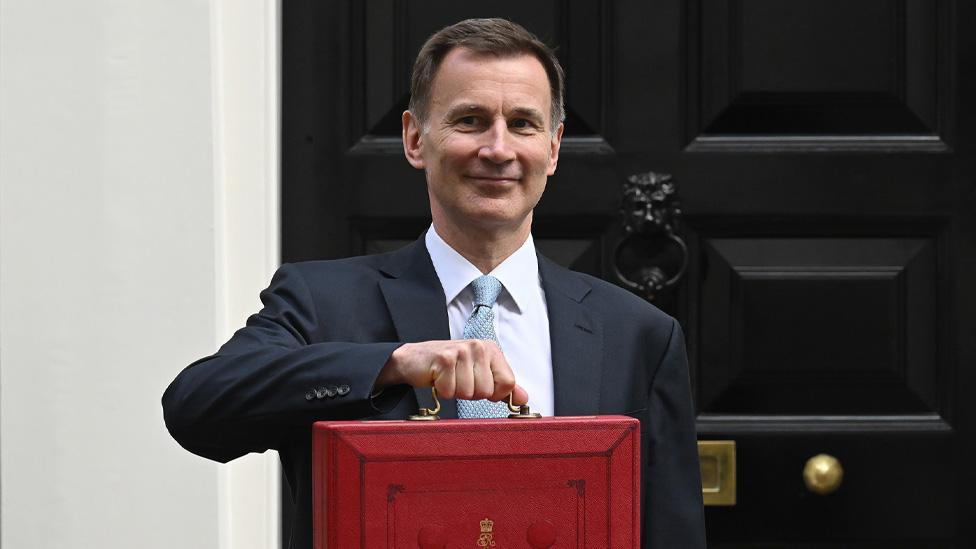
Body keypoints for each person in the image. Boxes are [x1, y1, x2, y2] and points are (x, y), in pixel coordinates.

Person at [163, 18, 705, 549]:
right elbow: (196, 408)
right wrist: (391, 363)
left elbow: (670, 530)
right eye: (469, 120)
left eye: (523, 123)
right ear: (415, 138)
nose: (498, 149)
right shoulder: (321, 302)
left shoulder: (638, 334)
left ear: (554, 146)